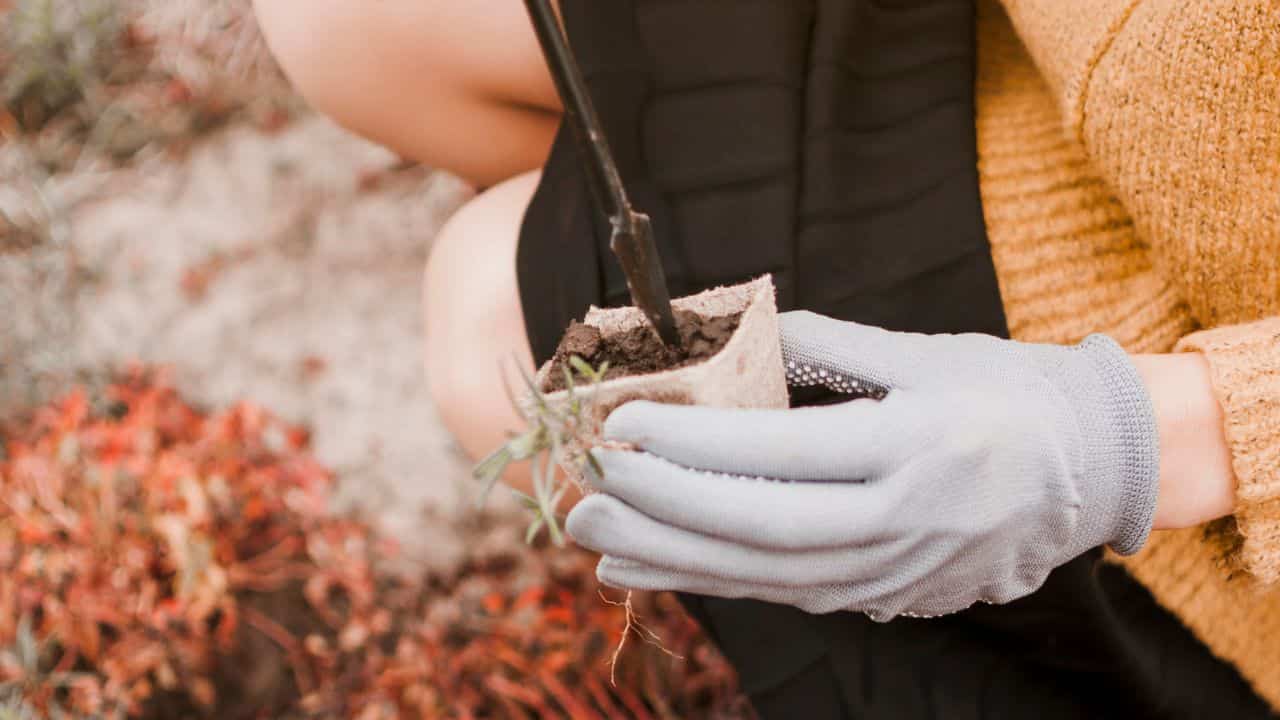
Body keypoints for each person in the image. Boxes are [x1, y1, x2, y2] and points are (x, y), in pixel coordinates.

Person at [253, 0, 1280, 716]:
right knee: (347, 19)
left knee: (493, 322)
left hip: (1092, 368)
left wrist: (1158, 434)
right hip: (987, 40)